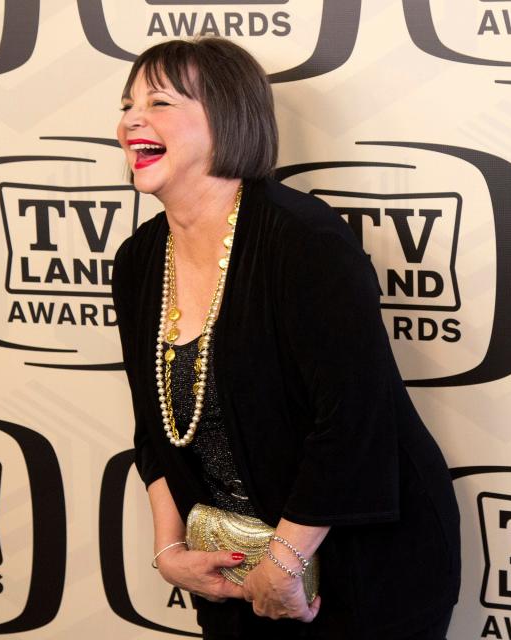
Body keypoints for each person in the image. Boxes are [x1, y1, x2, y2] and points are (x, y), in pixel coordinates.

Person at [111, 37, 460, 639]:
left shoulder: (304, 240)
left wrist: (285, 562)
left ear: (228, 119)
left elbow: (354, 422)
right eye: (127, 105)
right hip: (236, 570)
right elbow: (155, 426)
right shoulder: (138, 261)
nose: (131, 120)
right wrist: (169, 551)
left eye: (160, 102)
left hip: (368, 571)